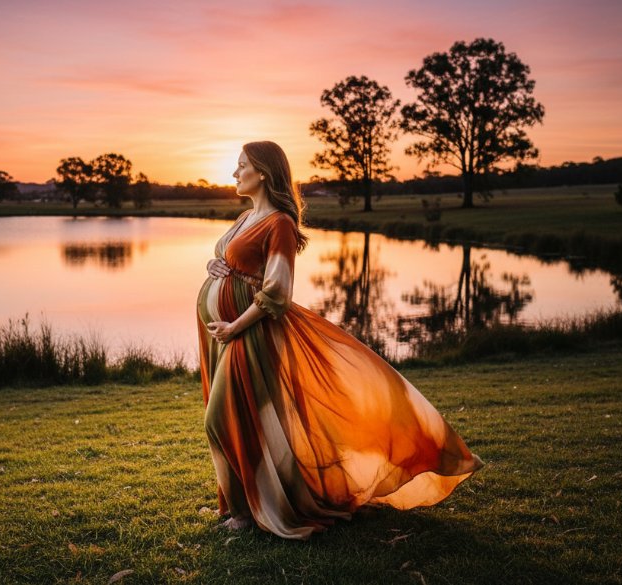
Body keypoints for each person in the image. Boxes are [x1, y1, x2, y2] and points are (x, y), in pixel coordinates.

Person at [196, 141, 484, 540]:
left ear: (262, 172)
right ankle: (240, 507)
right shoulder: (247, 216)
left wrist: (234, 327)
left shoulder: (279, 223)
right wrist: (216, 264)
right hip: (227, 333)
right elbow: (235, 262)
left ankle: (256, 511)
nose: (234, 173)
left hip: (251, 333)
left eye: (241, 165)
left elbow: (278, 291)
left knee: (222, 420)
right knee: (243, 420)